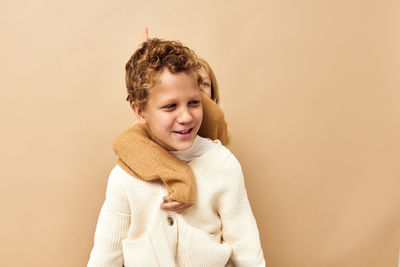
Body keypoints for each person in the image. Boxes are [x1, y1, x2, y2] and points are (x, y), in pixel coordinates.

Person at [87, 38, 265, 266]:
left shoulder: (223, 165)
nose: (186, 117)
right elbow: (105, 256)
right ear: (140, 111)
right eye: (170, 106)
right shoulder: (123, 178)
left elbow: (248, 252)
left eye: (194, 102)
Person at [113, 29, 229, 214]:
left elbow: (215, 116)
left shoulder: (218, 147)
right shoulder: (153, 130)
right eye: (171, 104)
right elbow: (124, 142)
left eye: (204, 85)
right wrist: (151, 72)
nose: (184, 116)